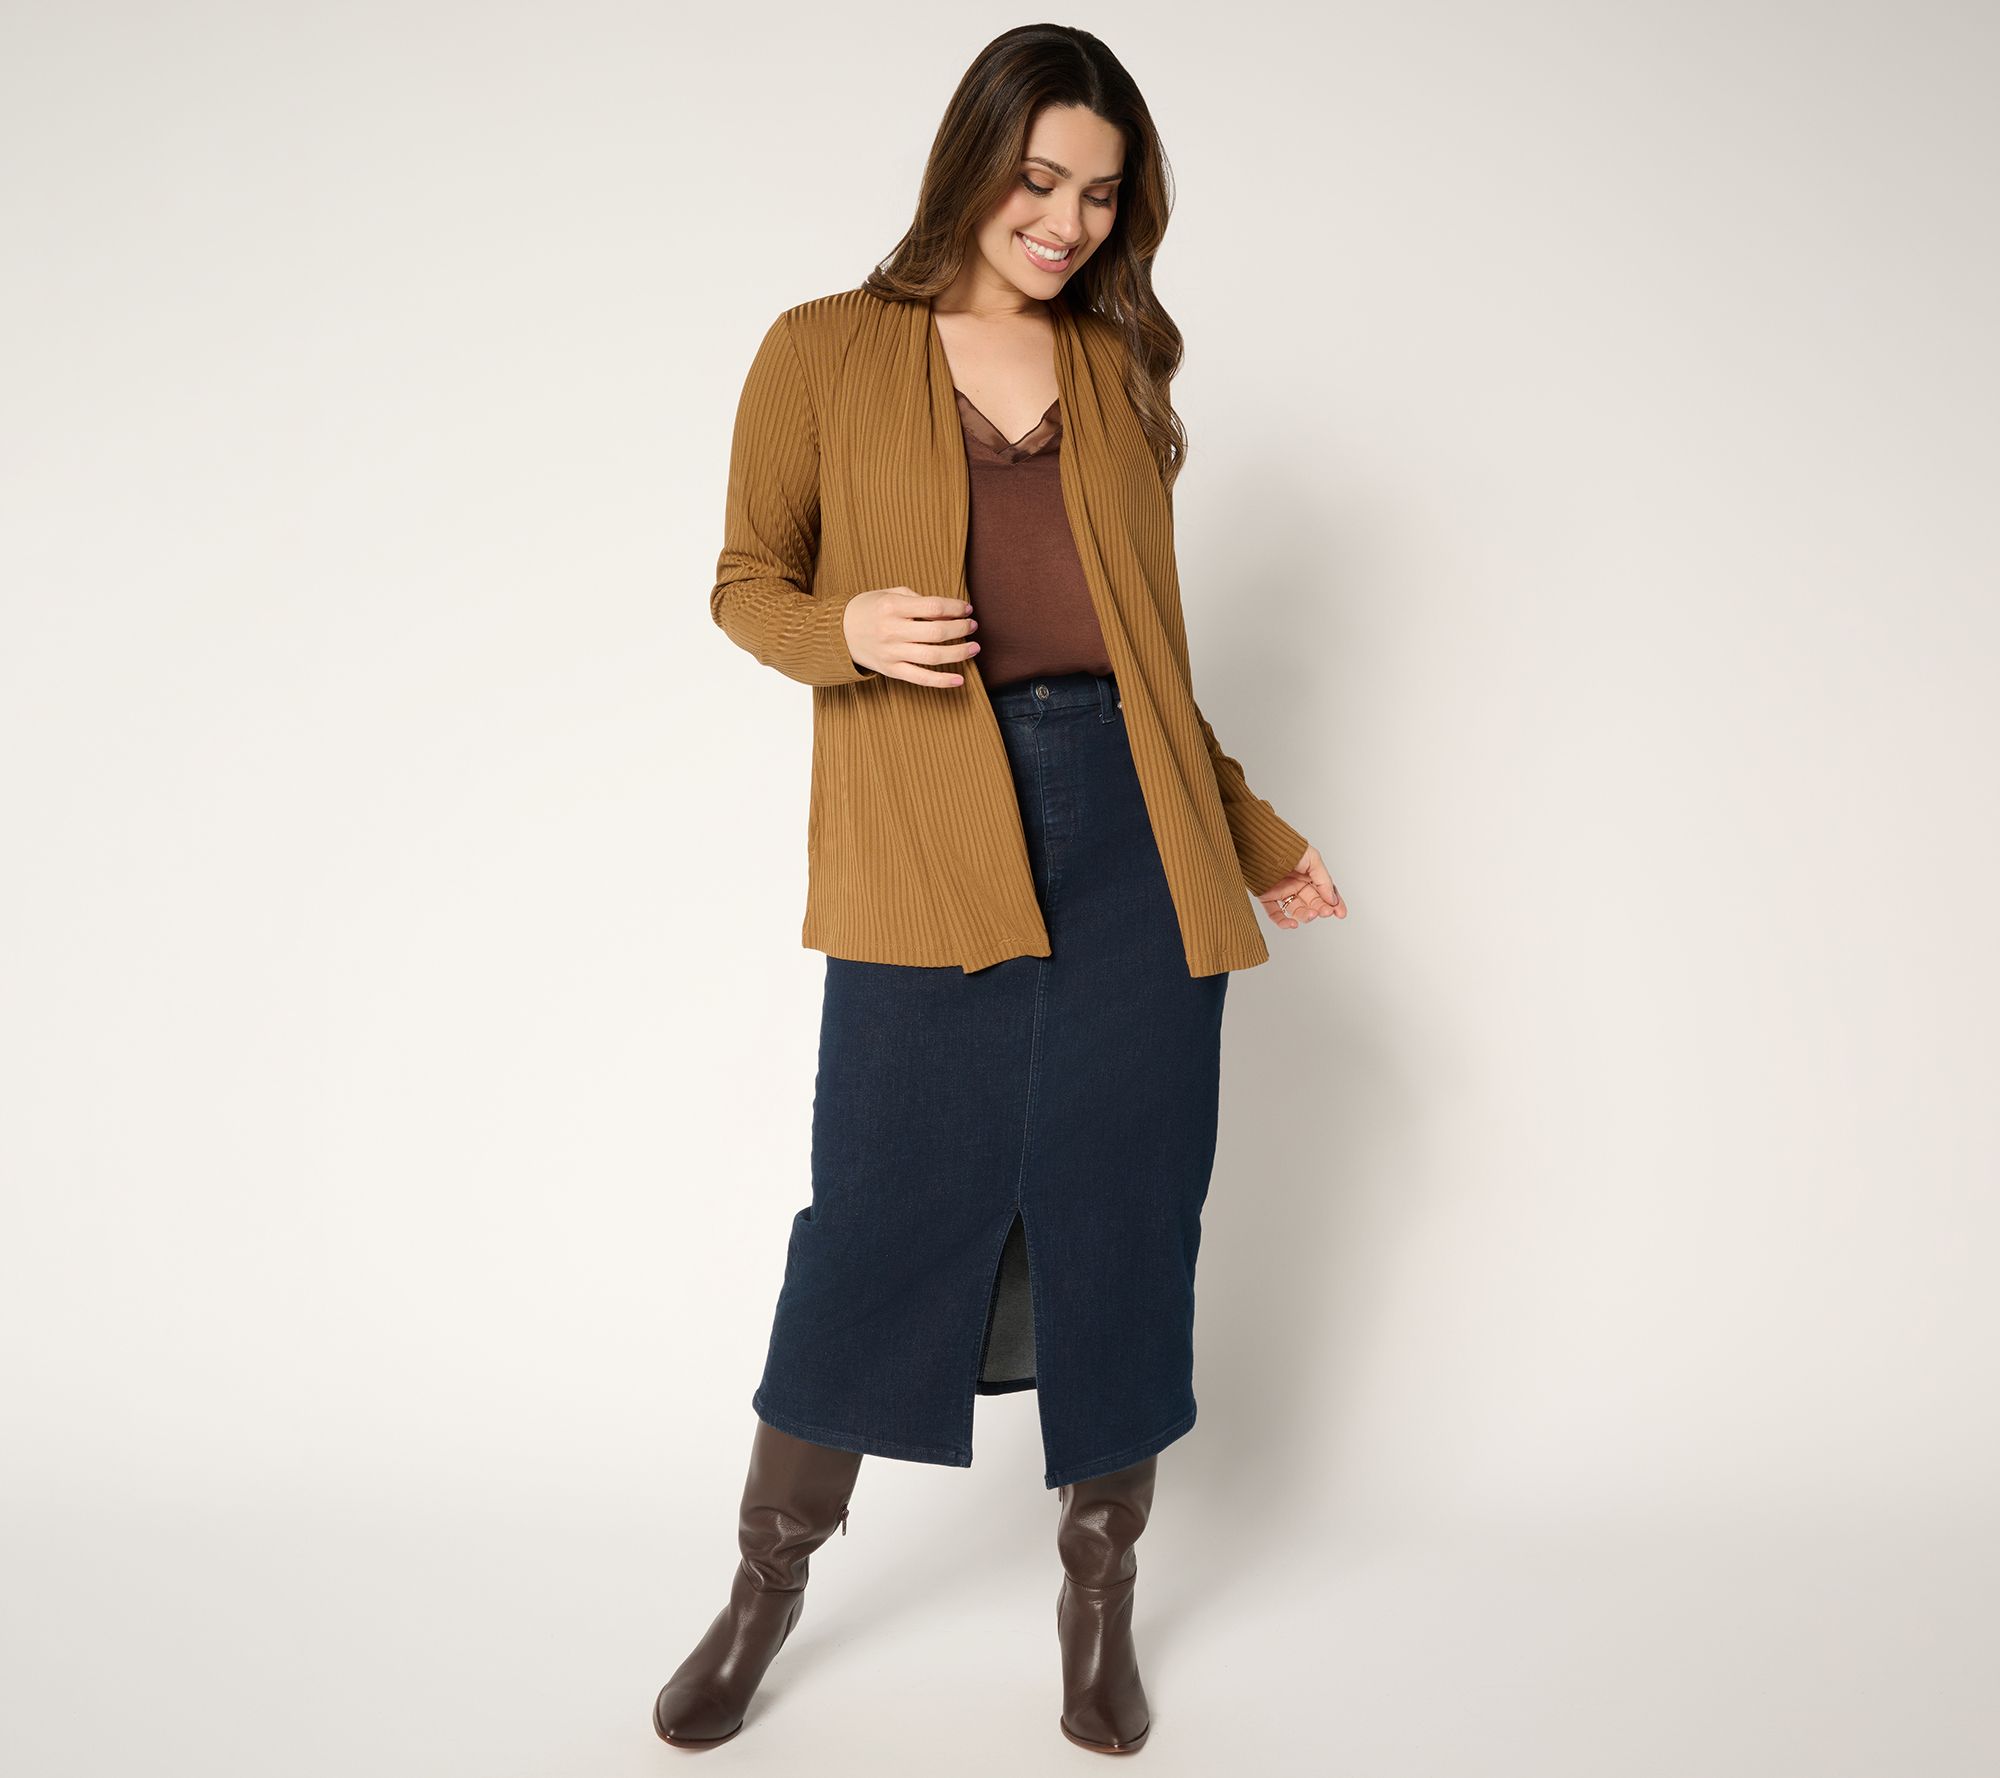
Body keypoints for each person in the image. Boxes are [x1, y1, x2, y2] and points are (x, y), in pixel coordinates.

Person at [653, 22, 1345, 1756]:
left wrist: (1255, 833)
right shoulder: (823, 346)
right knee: (879, 1209)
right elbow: (743, 582)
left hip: (1132, 825)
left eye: (1102, 196)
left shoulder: (1115, 376)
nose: (1066, 221)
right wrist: (851, 629)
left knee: (1128, 1207)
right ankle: (763, 1586)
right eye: (1040, 179)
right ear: (971, 162)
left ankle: (1098, 1599)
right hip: (926, 822)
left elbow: (1155, 664)